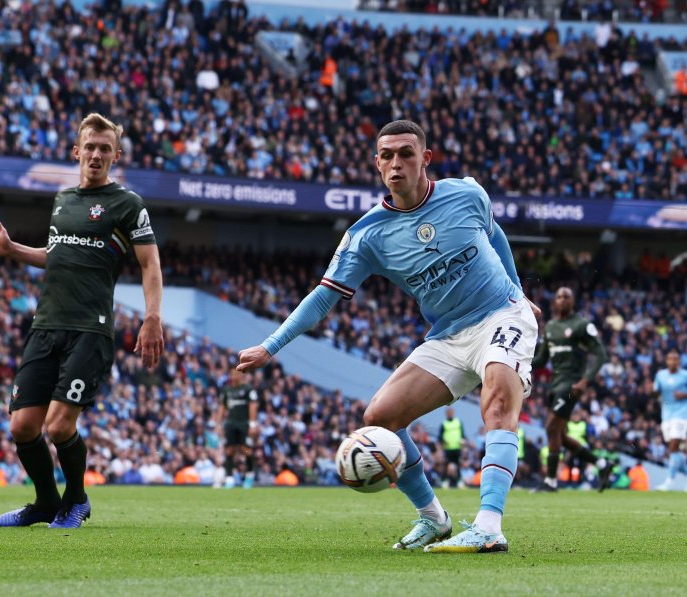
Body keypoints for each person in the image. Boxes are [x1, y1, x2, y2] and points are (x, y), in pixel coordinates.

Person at [237, 120, 540, 554]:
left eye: (405, 153)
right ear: (377, 163)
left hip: (501, 313)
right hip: (450, 333)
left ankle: (490, 526)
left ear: (425, 159)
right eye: (387, 155)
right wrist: (271, 345)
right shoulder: (367, 235)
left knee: (496, 402)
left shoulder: (468, 194)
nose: (396, 163)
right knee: (381, 416)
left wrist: (520, 291)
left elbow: (495, 236)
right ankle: (434, 519)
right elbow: (323, 298)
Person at [0, 112, 164, 527]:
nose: (96, 155)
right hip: (45, 326)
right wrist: (12, 249)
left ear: (115, 156)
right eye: (90, 147)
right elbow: (56, 254)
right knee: (23, 427)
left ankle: (76, 500)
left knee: (60, 426)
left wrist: (152, 317)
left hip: (89, 330)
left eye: (105, 149)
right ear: (77, 151)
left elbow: (149, 264)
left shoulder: (127, 204)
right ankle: (46, 503)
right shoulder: (63, 200)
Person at [531, 287, 612, 493]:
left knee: (550, 428)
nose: (562, 300)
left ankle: (550, 481)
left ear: (573, 301)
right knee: (559, 435)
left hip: (571, 384)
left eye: (566, 296)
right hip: (555, 385)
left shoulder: (581, 325)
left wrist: (585, 381)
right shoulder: (550, 326)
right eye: (558, 296)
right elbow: (541, 359)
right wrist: (519, 357)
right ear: (555, 301)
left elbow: (600, 354)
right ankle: (602, 464)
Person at [651, 351, 687, 491]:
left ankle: (669, 481)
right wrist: (653, 392)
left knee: (673, 448)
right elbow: (655, 391)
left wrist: (685, 395)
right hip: (666, 415)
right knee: (674, 451)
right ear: (667, 361)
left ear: (679, 361)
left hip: (681, 415)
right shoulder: (660, 375)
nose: (673, 361)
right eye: (670, 359)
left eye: (676, 359)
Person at [216, 368, 259, 489]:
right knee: (229, 450)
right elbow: (222, 407)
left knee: (245, 450)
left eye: (237, 373)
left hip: (244, 424)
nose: (235, 375)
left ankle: (249, 475)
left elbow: (253, 406)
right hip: (231, 424)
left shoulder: (247, 389)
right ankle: (229, 478)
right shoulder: (226, 390)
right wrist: (218, 424)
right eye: (233, 373)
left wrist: (252, 424)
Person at [438, 407, 464, 488]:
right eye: (449, 412)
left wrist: (463, 442)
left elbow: (462, 435)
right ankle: (445, 481)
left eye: (451, 412)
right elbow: (440, 437)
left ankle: (459, 481)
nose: (450, 413)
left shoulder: (458, 422)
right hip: (447, 449)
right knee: (446, 465)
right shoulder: (443, 423)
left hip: (457, 448)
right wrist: (443, 444)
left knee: (458, 465)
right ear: (446, 414)